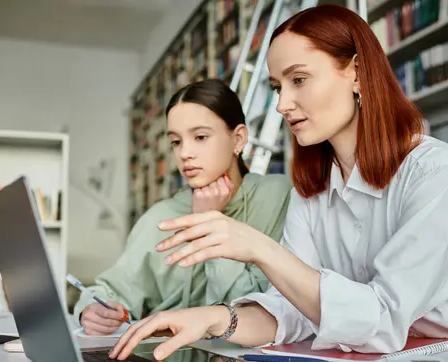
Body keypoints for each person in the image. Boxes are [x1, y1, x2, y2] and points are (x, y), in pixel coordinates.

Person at [109, 4, 448, 362]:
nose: (282, 104)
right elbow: (298, 311)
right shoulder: (314, 188)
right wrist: (214, 318)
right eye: (277, 86)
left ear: (356, 72)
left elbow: (380, 319)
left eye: (299, 80)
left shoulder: (435, 172)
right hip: (399, 359)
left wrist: (259, 247)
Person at [73, 79, 293, 336]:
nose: (185, 153)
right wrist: (91, 310)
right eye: (176, 142)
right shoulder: (161, 216)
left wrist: (209, 221)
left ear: (238, 139)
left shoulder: (278, 196)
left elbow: (254, 308)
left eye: (200, 137)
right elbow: (110, 290)